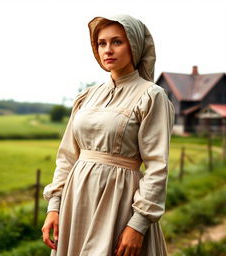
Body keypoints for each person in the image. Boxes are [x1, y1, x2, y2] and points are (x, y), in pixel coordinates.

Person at [41, 14, 175, 256]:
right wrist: (55, 206)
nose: (107, 50)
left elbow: (157, 166)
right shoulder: (87, 96)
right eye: (102, 43)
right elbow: (67, 156)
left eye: (117, 42)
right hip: (76, 201)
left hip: (119, 202)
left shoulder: (151, 96)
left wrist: (138, 223)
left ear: (134, 45)